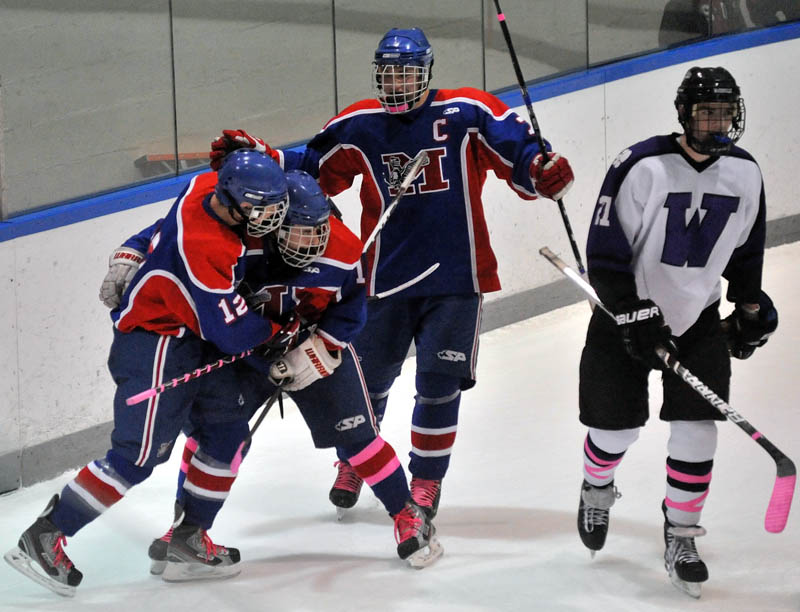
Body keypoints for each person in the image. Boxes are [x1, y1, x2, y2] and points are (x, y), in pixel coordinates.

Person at [208, 26, 575, 521]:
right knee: (367, 382)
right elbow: (309, 170)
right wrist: (259, 160)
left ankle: (424, 481)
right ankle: (355, 460)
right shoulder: (360, 123)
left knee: (439, 384)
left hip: (456, 279)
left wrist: (543, 171)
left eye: (406, 73)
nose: (397, 83)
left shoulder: (468, 111)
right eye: (389, 73)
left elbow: (522, 157)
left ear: (426, 72)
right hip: (381, 278)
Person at [102, 169, 443, 571]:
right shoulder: (240, 234)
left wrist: (325, 346)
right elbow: (172, 235)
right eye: (299, 231)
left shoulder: (344, 249)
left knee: (357, 437)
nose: (310, 242)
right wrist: (132, 250)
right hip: (240, 350)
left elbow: (351, 307)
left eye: (319, 230)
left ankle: (407, 515)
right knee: (216, 437)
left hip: (309, 342)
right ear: (273, 221)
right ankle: (187, 529)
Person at [2, 150, 306, 596]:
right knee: (136, 456)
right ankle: (45, 536)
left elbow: (156, 231)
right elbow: (233, 334)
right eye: (260, 208)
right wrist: (282, 326)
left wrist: (134, 247)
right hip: (156, 346)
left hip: (191, 341)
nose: (270, 217)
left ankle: (188, 539)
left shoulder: (204, 186)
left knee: (227, 435)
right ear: (233, 202)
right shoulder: (207, 249)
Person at [576, 66, 778, 598]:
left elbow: (747, 249)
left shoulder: (745, 172)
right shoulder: (642, 165)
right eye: (705, 111)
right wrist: (630, 310)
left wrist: (751, 304)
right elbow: (604, 252)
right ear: (684, 113)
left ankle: (682, 531)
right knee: (615, 431)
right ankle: (596, 487)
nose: (716, 122)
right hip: (623, 320)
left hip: (698, 320)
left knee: (698, 428)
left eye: (724, 112)